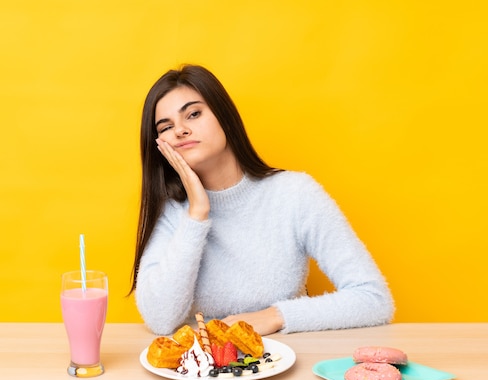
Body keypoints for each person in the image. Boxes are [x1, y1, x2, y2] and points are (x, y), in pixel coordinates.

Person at [132, 64, 394, 336]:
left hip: (283, 363)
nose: (180, 130)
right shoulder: (174, 212)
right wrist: (197, 214)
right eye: (166, 127)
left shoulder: (295, 194)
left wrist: (275, 316)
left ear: (224, 116)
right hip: (204, 372)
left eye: (194, 114)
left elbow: (374, 299)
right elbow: (159, 319)